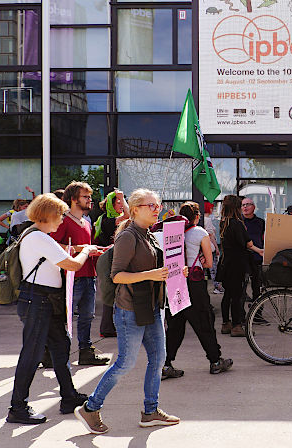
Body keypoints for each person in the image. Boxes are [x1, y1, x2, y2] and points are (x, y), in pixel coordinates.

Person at [75, 189, 182, 435]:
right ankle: (90, 408)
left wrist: (175, 274)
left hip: (152, 307)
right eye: (150, 205)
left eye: (158, 205)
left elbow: (157, 270)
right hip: (130, 310)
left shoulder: (150, 235)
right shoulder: (128, 237)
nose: (157, 209)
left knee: (158, 359)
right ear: (134, 209)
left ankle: (150, 411)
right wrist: (151, 275)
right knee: (125, 363)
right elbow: (117, 275)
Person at [7, 193, 99, 425]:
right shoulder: (39, 237)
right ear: (48, 215)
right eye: (60, 214)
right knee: (33, 353)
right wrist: (87, 251)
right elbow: (72, 264)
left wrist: (83, 248)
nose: (62, 219)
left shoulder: (37, 235)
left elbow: (62, 255)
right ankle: (17, 407)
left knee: (60, 346)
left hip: (44, 300)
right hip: (38, 300)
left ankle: (68, 396)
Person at [163, 202, 233, 378]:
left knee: (174, 326)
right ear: (197, 216)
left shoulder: (172, 232)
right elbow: (209, 263)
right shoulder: (199, 233)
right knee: (204, 323)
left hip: (175, 282)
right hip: (194, 283)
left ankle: (165, 364)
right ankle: (215, 361)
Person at [51, 181, 109, 366]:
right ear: (73, 199)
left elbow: (84, 248)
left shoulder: (86, 222)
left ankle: (85, 351)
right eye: (86, 197)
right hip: (71, 278)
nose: (90, 200)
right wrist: (79, 249)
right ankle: (52, 353)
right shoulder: (63, 220)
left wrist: (95, 251)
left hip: (88, 275)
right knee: (63, 318)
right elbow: (51, 246)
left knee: (87, 316)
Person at [217, 195, 262, 337]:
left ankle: (226, 324)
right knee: (237, 296)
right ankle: (237, 326)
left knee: (227, 295)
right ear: (236, 207)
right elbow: (248, 243)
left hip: (225, 263)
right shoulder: (237, 223)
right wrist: (260, 251)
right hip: (237, 265)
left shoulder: (224, 222)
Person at [94, 190, 130, 338]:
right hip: (109, 260)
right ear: (110, 204)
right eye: (119, 202)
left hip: (114, 258)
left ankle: (111, 327)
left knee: (116, 293)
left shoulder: (111, 218)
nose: (122, 205)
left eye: (123, 201)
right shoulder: (107, 219)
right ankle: (107, 328)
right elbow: (128, 216)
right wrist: (122, 197)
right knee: (110, 294)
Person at [241, 197, 265, 303]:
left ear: (254, 207)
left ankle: (257, 314)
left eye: (248, 204)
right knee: (242, 287)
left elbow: (263, 238)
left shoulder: (260, 222)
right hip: (243, 257)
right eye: (243, 205)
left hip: (257, 257)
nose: (245, 207)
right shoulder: (239, 222)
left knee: (257, 287)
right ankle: (241, 316)